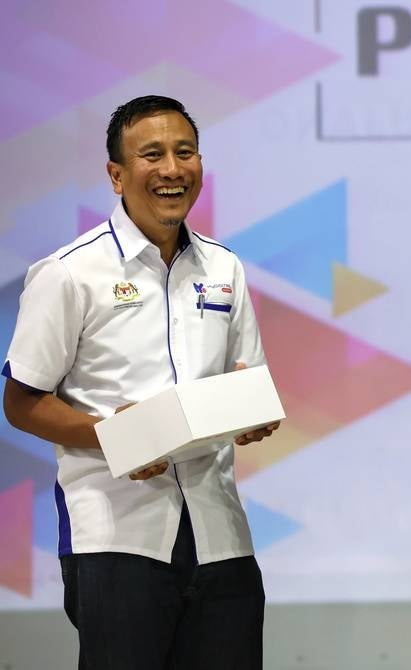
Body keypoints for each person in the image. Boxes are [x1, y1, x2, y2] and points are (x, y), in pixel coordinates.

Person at [2, 95, 279, 670]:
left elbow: (244, 378)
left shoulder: (225, 269)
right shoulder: (69, 272)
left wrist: (253, 414)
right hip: (115, 534)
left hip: (220, 531)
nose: (172, 169)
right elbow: (22, 401)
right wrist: (113, 435)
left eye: (185, 152)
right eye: (152, 154)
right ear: (116, 174)